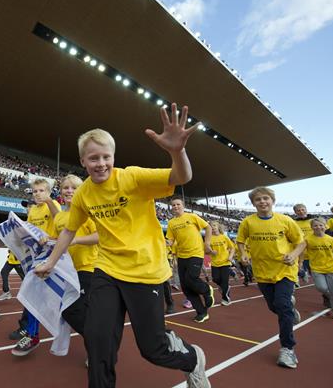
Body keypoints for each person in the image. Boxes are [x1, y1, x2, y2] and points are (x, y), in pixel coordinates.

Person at [35, 104, 209, 388]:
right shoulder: (83, 195)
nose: (101, 163)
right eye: (93, 158)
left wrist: (177, 151)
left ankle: (191, 359)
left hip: (145, 271)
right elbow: (68, 230)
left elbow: (181, 177)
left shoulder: (132, 177)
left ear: (113, 157)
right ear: (83, 161)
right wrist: (51, 261)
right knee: (98, 339)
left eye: (106, 157)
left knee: (153, 350)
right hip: (107, 269)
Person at [237, 186, 305, 369]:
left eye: (265, 198)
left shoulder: (285, 220)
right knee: (274, 306)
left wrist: (293, 255)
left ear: (272, 201)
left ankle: (288, 348)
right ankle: (290, 310)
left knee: (282, 306)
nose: (262, 202)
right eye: (258, 200)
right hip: (262, 272)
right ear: (253, 203)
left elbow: (301, 243)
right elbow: (241, 241)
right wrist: (243, 254)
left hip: (284, 271)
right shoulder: (248, 222)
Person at [11, 178, 61, 356]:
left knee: (64, 303)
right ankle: (32, 335)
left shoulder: (53, 204)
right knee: (32, 296)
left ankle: (90, 336)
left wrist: (48, 237)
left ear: (48, 192)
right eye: (35, 191)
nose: (37, 194)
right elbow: (30, 231)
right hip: (37, 258)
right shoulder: (32, 211)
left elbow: (62, 225)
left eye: (41, 190)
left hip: (56, 256)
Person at [53, 174, 99, 337]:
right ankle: (98, 342)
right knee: (67, 310)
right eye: (66, 187)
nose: (69, 191)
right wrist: (46, 239)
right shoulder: (58, 217)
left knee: (73, 310)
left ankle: (97, 343)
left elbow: (99, 236)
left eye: (74, 188)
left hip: (87, 268)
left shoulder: (88, 212)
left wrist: (75, 240)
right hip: (66, 270)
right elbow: (56, 240)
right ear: (60, 191)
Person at [166, 197, 215, 323]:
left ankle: (206, 289)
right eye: (173, 205)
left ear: (183, 206)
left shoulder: (192, 217)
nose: (175, 207)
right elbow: (170, 241)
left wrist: (207, 243)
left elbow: (208, 227)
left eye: (178, 204)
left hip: (196, 253)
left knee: (191, 279)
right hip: (181, 256)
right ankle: (202, 312)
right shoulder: (171, 223)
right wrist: (163, 242)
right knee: (185, 287)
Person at [304, 218, 333, 321]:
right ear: (311, 227)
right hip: (317, 268)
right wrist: (299, 262)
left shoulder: (332, 240)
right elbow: (300, 250)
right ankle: (329, 296)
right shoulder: (307, 239)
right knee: (322, 288)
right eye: (315, 225)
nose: (318, 227)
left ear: (326, 227)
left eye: (321, 225)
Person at [208, 221, 235, 306]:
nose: (213, 227)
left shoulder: (224, 237)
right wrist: (211, 252)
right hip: (215, 263)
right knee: (215, 279)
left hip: (225, 263)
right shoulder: (209, 239)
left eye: (215, 225)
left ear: (218, 227)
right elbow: (206, 251)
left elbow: (232, 248)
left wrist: (230, 256)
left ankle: (225, 298)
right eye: (211, 226)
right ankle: (223, 287)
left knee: (225, 281)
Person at [293, 204, 314, 284]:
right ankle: (296, 281)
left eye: (302, 209)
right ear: (295, 212)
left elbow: (326, 233)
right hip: (300, 250)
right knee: (296, 268)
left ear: (306, 209)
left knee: (315, 273)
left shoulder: (314, 220)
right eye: (298, 210)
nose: (301, 212)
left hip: (313, 251)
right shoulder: (293, 223)